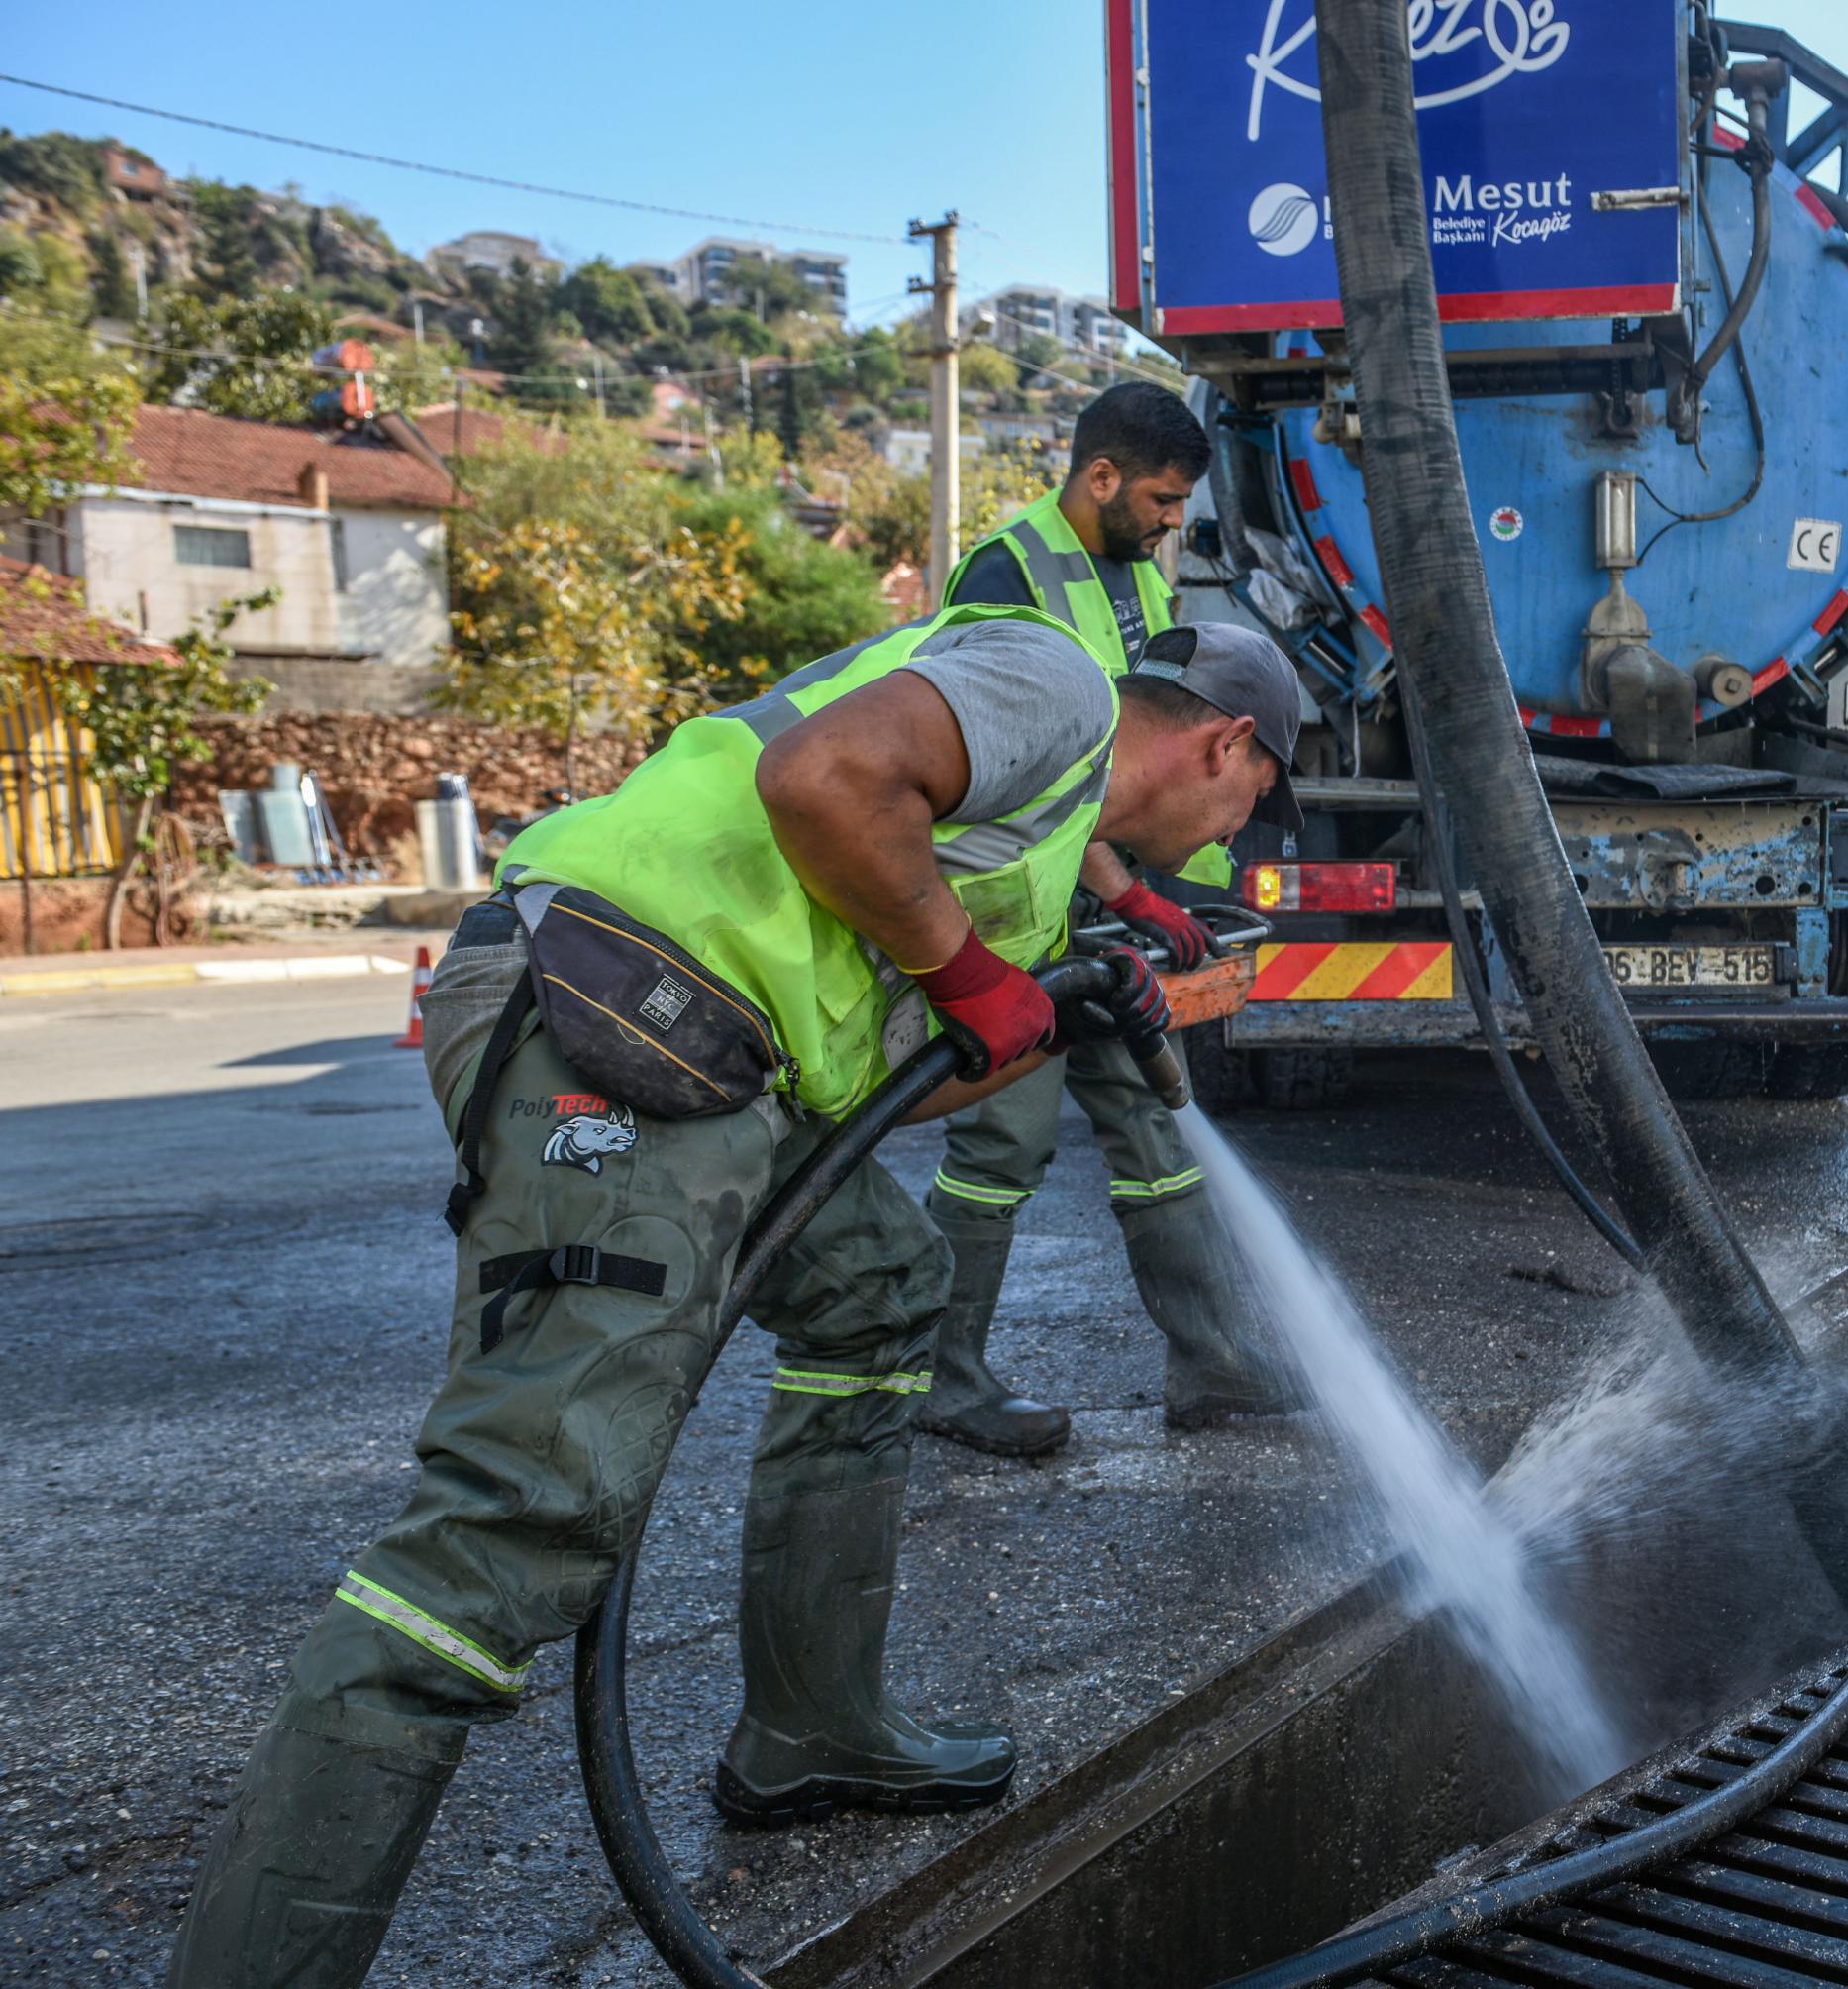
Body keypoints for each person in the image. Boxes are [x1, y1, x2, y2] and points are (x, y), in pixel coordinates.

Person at [168, 606, 1303, 1989]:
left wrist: (1051, 1005)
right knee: (514, 1525)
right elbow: (820, 778)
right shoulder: (1053, 684)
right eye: (1258, 798)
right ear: (1226, 744)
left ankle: (812, 1730)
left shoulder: (1038, 844)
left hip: (711, 1053)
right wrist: (969, 970)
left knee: (882, 1289)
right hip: (609, 998)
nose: (1241, 834)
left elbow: (891, 1087)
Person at [918, 382, 1289, 1456]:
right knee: (1004, 1135)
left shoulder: (1133, 571)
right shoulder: (1004, 572)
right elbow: (1026, 761)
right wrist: (1125, 888)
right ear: (1101, 476)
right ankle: (945, 1378)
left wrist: (1161, 883)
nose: (1178, 521)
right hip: (1018, 901)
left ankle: (1215, 1362)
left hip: (1096, 902)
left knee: (1154, 1122)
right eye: (1165, 499)